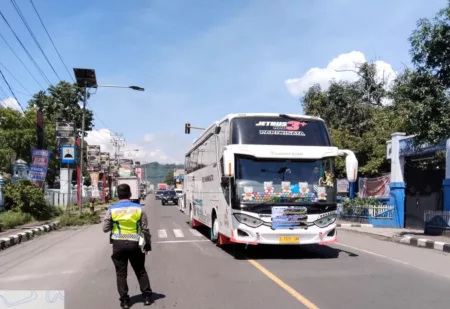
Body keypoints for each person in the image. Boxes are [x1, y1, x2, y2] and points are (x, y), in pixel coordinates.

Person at [103, 183, 153, 308]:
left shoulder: (112, 209)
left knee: (121, 273)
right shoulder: (139, 208)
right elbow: (145, 229)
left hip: (118, 245)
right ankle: (147, 297)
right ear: (130, 194)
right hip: (135, 244)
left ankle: (125, 301)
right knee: (140, 270)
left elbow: (105, 228)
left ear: (118, 195)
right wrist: (147, 245)